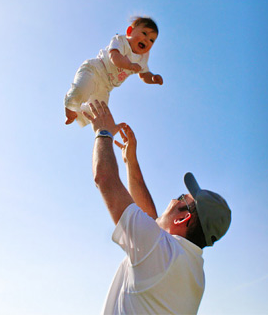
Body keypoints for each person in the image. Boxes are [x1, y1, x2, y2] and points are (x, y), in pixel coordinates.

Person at [84, 100, 232, 315]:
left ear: (183, 219)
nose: (174, 198)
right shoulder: (193, 270)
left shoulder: (161, 254)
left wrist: (103, 131)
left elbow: (105, 178)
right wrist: (130, 162)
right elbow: (149, 222)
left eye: (182, 197)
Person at [64, 17, 164, 127]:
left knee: (99, 113)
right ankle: (70, 106)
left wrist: (153, 78)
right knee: (81, 89)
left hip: (106, 87)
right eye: (144, 33)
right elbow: (114, 57)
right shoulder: (121, 41)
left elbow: (144, 74)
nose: (146, 40)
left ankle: (78, 114)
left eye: (151, 40)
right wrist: (129, 65)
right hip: (95, 70)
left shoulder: (142, 58)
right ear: (129, 31)